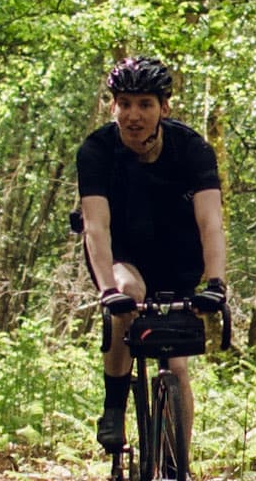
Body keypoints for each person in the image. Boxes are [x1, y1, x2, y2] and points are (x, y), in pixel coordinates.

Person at [75, 54, 227, 459]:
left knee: (176, 368)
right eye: (124, 104)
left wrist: (215, 284)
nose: (133, 114)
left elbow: (211, 222)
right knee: (127, 292)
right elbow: (96, 226)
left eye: (144, 104)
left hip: (177, 258)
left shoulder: (192, 149)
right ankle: (114, 408)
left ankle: (178, 477)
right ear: (113, 107)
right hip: (122, 254)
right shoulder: (96, 151)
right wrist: (107, 289)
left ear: (164, 107)